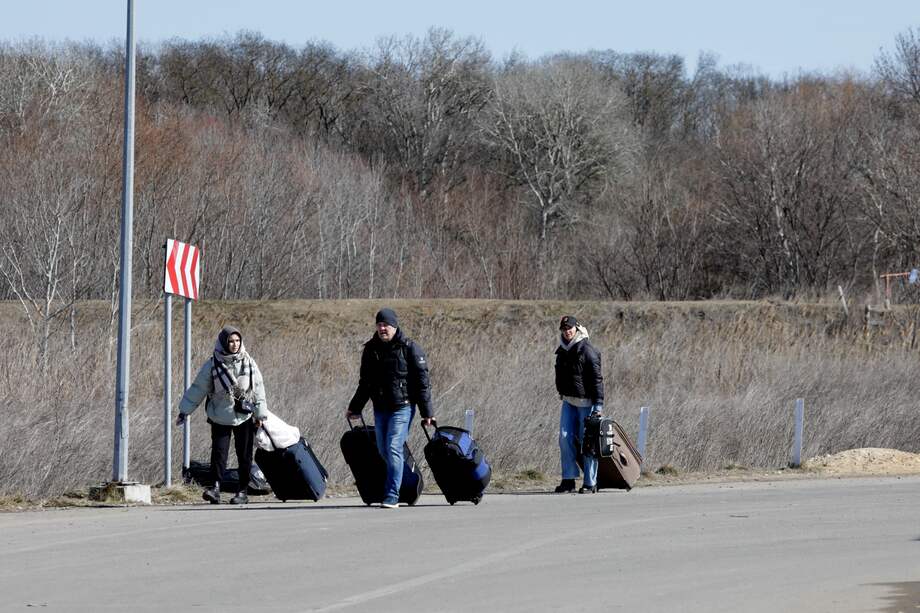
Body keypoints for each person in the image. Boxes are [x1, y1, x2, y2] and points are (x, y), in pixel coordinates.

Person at [346, 308, 434, 508]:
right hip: (380, 409)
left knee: (394, 447)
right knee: (384, 450)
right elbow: (365, 383)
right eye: (379, 325)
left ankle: (392, 495)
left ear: (394, 326)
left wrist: (427, 413)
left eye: (386, 325)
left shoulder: (410, 348)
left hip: (403, 408)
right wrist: (355, 407)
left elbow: (423, 384)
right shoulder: (371, 349)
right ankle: (409, 482)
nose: (382, 328)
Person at [176, 325, 268, 505]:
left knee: (244, 455)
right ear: (223, 343)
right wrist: (184, 411)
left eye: (237, 341)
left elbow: (258, 389)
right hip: (219, 415)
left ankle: (242, 491)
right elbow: (198, 388)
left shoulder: (249, 362)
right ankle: (215, 488)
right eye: (230, 341)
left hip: (244, 416)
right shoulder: (213, 363)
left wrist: (260, 415)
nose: (235, 344)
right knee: (219, 454)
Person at [554, 315, 604, 494]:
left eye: (570, 328)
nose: (567, 331)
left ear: (577, 328)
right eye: (564, 329)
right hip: (568, 401)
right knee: (564, 438)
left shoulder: (588, 350)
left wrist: (598, 406)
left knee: (588, 442)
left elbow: (597, 380)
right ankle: (568, 479)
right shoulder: (562, 349)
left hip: (587, 403)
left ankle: (590, 482)